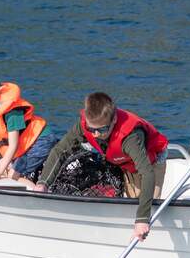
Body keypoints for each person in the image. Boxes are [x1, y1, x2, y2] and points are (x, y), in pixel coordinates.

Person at [31, 92, 168, 242]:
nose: (95, 135)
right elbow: (60, 151)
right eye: (91, 130)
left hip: (151, 161)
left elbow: (147, 172)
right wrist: (43, 183)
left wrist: (142, 219)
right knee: (131, 204)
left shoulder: (130, 137)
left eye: (101, 130)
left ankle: (146, 236)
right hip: (123, 161)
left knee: (147, 207)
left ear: (114, 119)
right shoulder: (84, 125)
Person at [0, 72, 56, 186]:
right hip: (24, 144)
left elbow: (13, 145)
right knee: (4, 168)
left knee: (13, 175)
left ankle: (38, 194)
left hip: (40, 141)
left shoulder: (12, 114)